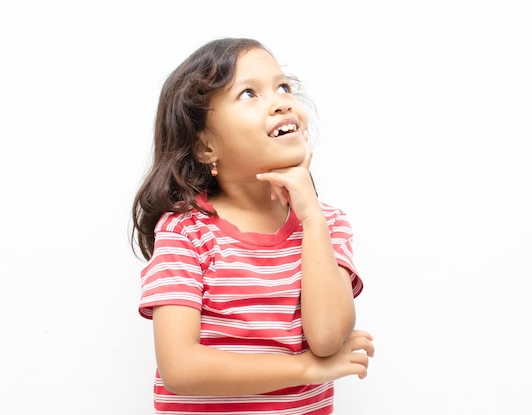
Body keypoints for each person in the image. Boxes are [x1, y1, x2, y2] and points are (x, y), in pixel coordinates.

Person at [131, 37, 374, 414]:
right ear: (206, 146)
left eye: (283, 86)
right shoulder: (185, 231)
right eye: (249, 93)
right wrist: (305, 368)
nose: (281, 101)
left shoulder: (326, 224)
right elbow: (180, 367)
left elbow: (327, 337)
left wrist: (310, 217)